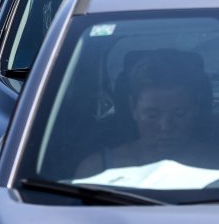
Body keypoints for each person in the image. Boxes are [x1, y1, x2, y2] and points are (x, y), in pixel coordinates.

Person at [77, 49, 214, 177]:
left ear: (196, 108)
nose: (165, 127)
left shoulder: (215, 164)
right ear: (133, 108)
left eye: (179, 114)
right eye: (152, 115)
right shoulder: (97, 170)